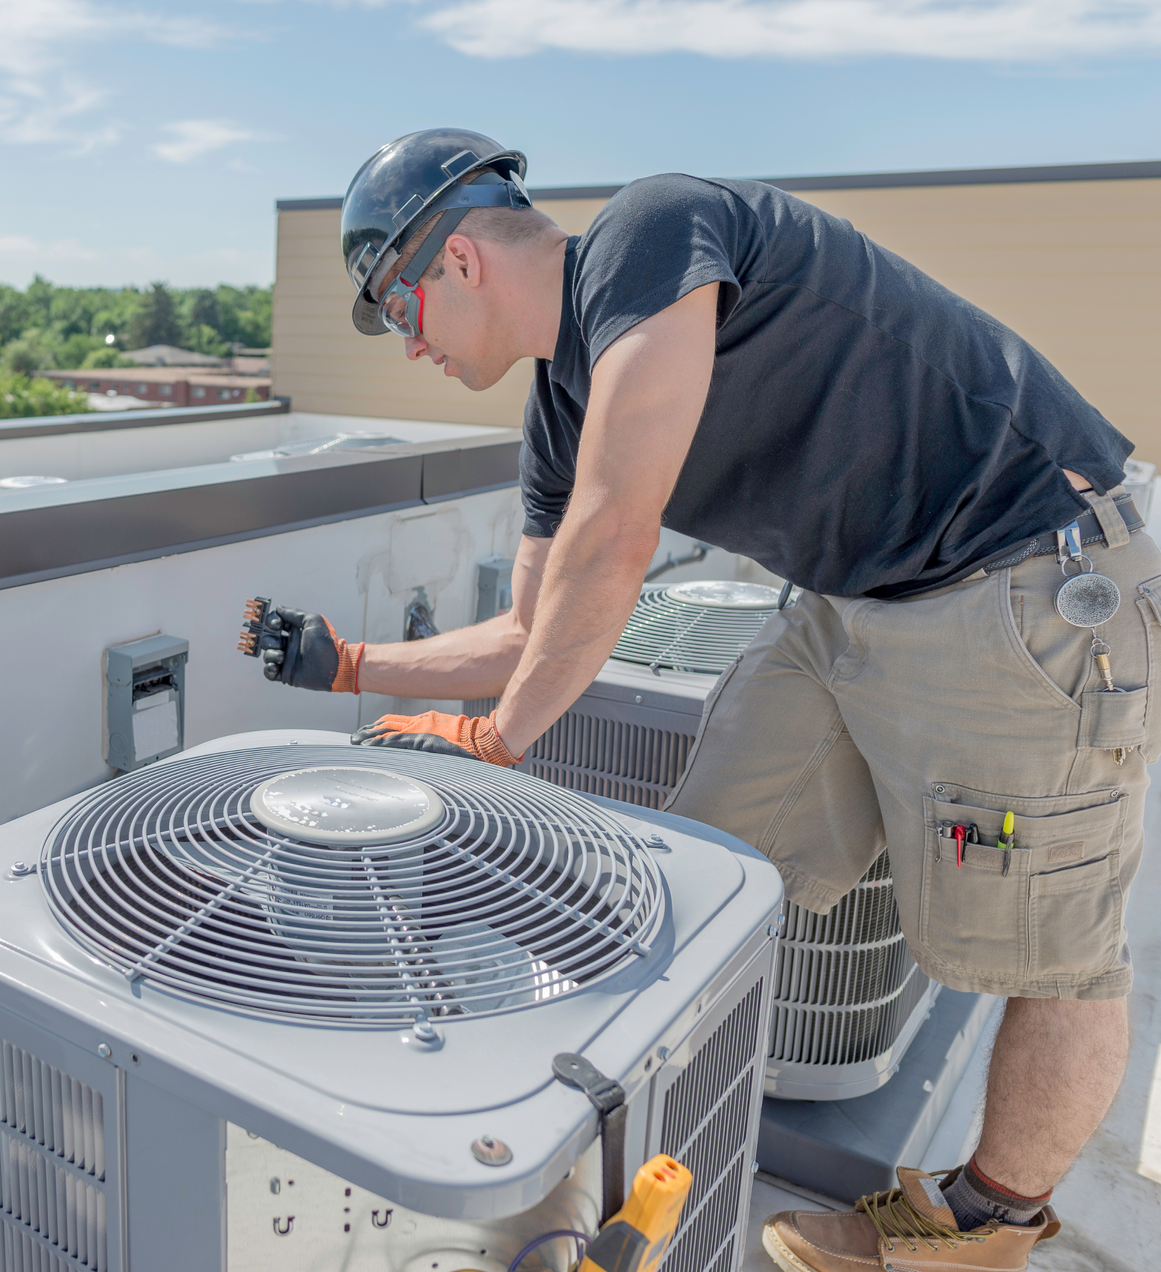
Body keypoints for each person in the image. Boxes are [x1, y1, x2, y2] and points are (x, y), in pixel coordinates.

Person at [246, 128, 1153, 1271]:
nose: (408, 346)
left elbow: (615, 534)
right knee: (703, 866)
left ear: (459, 263)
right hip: (849, 599)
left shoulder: (651, 228)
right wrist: (347, 663)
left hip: (1023, 568)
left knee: (1048, 955)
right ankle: (632, 1149)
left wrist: (498, 737)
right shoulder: (558, 410)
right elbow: (535, 627)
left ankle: (986, 1225)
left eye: (400, 311)